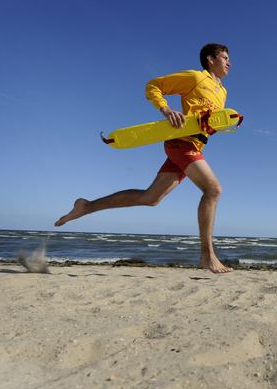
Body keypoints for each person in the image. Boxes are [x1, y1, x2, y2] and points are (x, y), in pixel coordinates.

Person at [54, 43, 233, 273]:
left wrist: (224, 123)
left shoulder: (223, 92)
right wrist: (166, 110)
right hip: (180, 144)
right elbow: (154, 85)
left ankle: (86, 206)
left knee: (151, 198)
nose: (229, 63)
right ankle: (207, 255)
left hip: (196, 144)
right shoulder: (195, 78)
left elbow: (206, 121)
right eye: (225, 58)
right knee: (213, 189)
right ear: (211, 59)